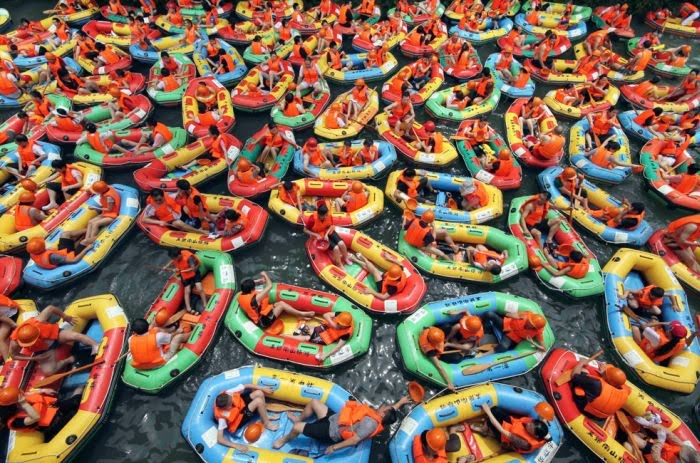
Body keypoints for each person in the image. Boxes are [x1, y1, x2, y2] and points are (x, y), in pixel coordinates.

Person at [272, 395, 407, 453]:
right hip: (333, 420)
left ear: (382, 415)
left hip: (331, 432)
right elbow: (391, 410)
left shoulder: (370, 424)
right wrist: (400, 402)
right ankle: (298, 418)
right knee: (314, 402)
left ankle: (284, 439)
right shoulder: (380, 415)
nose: (383, 405)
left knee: (296, 428)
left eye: (385, 407)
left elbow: (354, 440)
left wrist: (334, 447)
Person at [8, 304, 99, 375]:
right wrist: (33, 358)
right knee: (49, 372)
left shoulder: (38, 320)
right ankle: (69, 360)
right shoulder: (15, 342)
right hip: (43, 350)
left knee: (75, 336)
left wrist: (65, 316)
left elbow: (50, 308)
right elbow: (14, 355)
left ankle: (95, 345)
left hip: (55, 336)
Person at [215, 383, 279, 451]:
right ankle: (266, 423)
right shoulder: (222, 418)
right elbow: (220, 439)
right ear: (226, 407)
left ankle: (265, 415)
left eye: (231, 399)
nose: (233, 401)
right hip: (239, 419)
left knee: (259, 392)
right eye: (231, 403)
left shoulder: (229, 392)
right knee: (258, 401)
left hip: (241, 405)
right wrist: (236, 445)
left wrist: (262, 388)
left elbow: (246, 385)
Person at [237, 271, 314, 329]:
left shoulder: (241, 295)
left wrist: (258, 281)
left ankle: (299, 314)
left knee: (280, 303)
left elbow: (248, 285)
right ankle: (301, 314)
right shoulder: (256, 299)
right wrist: (265, 275)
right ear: (251, 290)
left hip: (261, 313)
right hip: (263, 321)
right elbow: (270, 286)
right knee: (282, 305)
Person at [472, 403, 550, 454]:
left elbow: (501, 430)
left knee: (491, 419)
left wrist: (488, 411)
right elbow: (543, 421)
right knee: (495, 410)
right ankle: (486, 422)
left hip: (504, 436)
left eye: (530, 426)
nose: (528, 424)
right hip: (512, 424)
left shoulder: (525, 443)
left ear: (534, 435)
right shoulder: (539, 429)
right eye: (530, 423)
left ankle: (485, 430)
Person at [142, 188, 207, 234]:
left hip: (179, 213)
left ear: (163, 196)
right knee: (178, 223)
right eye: (155, 200)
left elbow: (179, 194)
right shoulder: (151, 207)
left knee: (187, 208)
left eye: (160, 199)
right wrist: (159, 222)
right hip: (170, 220)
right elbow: (144, 219)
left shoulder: (169, 195)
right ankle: (201, 232)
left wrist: (184, 204)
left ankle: (203, 220)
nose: (158, 202)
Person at [481, 310, 547, 353]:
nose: (528, 323)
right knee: (489, 314)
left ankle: (486, 354)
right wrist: (516, 316)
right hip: (506, 325)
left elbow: (544, 349)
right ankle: (481, 326)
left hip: (511, 337)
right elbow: (507, 314)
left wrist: (532, 342)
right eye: (529, 321)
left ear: (535, 327)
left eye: (531, 324)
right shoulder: (526, 315)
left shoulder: (537, 333)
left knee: (503, 347)